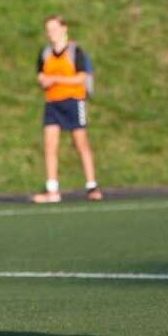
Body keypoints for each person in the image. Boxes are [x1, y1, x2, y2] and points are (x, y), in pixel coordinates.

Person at [33, 15, 100, 203]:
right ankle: (52, 189)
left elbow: (82, 77)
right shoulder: (45, 53)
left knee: (81, 143)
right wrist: (43, 80)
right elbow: (40, 74)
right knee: (49, 145)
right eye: (48, 30)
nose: (51, 33)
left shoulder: (75, 52)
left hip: (73, 101)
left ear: (64, 29)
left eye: (54, 29)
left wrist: (56, 79)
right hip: (52, 102)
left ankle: (91, 186)